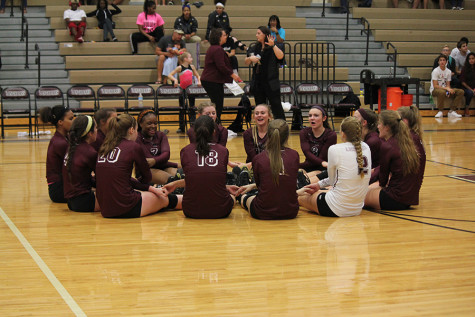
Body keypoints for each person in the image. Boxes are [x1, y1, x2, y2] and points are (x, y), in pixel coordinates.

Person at [96, 114, 182, 218]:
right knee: (166, 199)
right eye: (137, 130)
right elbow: (147, 177)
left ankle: (158, 190)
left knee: (150, 192)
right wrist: (148, 187)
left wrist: (150, 188)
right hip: (127, 207)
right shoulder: (133, 146)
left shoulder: (104, 147)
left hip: (106, 209)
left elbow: (121, 178)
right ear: (131, 130)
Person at [164, 116, 239, 219]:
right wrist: (225, 188)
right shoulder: (223, 150)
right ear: (214, 131)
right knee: (231, 197)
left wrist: (176, 184)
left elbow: (194, 178)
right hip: (221, 211)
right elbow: (209, 177)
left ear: (194, 131)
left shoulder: (185, 150)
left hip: (190, 211)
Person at [298, 116, 371, 217]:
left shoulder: (335, 149)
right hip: (357, 208)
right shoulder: (366, 147)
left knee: (301, 197)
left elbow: (333, 181)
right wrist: (319, 185)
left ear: (342, 133)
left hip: (335, 208)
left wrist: (321, 185)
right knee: (321, 190)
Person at [237, 119, 300, 220]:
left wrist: (254, 187)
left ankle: (242, 195)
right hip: (291, 212)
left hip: (262, 212)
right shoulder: (294, 155)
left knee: (246, 198)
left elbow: (259, 184)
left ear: (268, 135)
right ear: (287, 136)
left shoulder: (258, 158)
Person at [364, 110, 423, 211]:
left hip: (393, 199)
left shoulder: (387, 146)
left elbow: (383, 181)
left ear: (386, 127)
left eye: (379, 124)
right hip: (409, 200)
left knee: (355, 197)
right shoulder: (407, 142)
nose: (377, 127)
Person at [200, 28, 241, 122]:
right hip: (212, 80)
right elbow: (221, 66)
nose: (226, 36)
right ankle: (216, 126)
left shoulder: (214, 48)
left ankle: (215, 125)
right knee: (218, 105)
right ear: (218, 37)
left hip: (211, 80)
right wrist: (232, 74)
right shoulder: (217, 49)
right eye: (224, 35)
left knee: (217, 104)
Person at [245, 26, 285, 121]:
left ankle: (281, 126)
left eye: (259, 33)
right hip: (258, 82)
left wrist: (273, 45)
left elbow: (280, 57)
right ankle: (262, 126)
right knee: (260, 107)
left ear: (265, 34)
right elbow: (246, 61)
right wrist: (250, 58)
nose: (256, 35)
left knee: (276, 106)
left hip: (271, 82)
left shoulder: (273, 46)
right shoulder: (254, 47)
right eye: (256, 33)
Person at [63, 115, 100, 213]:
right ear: (90, 133)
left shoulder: (72, 147)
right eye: (96, 128)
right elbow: (102, 178)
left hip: (71, 202)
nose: (97, 130)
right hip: (85, 202)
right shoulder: (89, 152)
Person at [39, 106, 74, 203]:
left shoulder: (65, 137)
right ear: (60, 122)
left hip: (63, 185)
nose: (73, 121)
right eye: (70, 119)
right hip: (59, 189)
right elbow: (73, 166)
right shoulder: (60, 142)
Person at [135, 110, 180, 185]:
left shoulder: (161, 135)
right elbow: (149, 163)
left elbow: (166, 155)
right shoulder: (137, 138)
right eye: (149, 123)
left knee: (181, 175)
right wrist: (175, 164)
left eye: (155, 123)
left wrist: (155, 160)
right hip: (145, 171)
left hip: (162, 167)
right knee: (172, 181)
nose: (153, 126)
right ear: (141, 124)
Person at [167, 51, 201, 132]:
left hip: (191, 90)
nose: (192, 59)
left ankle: (193, 125)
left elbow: (197, 75)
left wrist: (199, 81)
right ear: (185, 59)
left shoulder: (192, 67)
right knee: (182, 108)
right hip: (182, 90)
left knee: (192, 107)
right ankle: (181, 127)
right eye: (190, 57)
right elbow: (169, 75)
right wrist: (175, 80)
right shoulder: (180, 68)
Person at [299, 106, 337, 174]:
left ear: (324, 118)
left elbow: (322, 158)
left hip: (324, 169)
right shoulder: (304, 132)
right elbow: (307, 153)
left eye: (316, 115)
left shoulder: (331, 135)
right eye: (310, 116)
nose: (312, 118)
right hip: (309, 166)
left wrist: (298, 165)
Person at [236, 104, 273, 169]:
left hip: (271, 166)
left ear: (269, 116)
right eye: (256, 113)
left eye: (262, 113)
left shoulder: (274, 132)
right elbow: (252, 156)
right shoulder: (248, 133)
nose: (259, 115)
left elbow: (275, 155)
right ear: (253, 117)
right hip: (253, 167)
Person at [431, 54, 464, 118]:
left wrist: (448, 91)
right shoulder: (435, 71)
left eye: (443, 60)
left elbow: (448, 84)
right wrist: (446, 89)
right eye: (440, 60)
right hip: (435, 90)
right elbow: (435, 85)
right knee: (441, 92)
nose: (442, 62)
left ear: (446, 62)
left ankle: (452, 111)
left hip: (445, 89)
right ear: (438, 62)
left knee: (460, 91)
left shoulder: (448, 71)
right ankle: (440, 111)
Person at [460, 52, 475, 116]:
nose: (471, 60)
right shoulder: (464, 68)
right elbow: (463, 82)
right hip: (466, 87)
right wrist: (471, 90)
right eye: (470, 59)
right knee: (470, 93)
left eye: (473, 58)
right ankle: (467, 107)